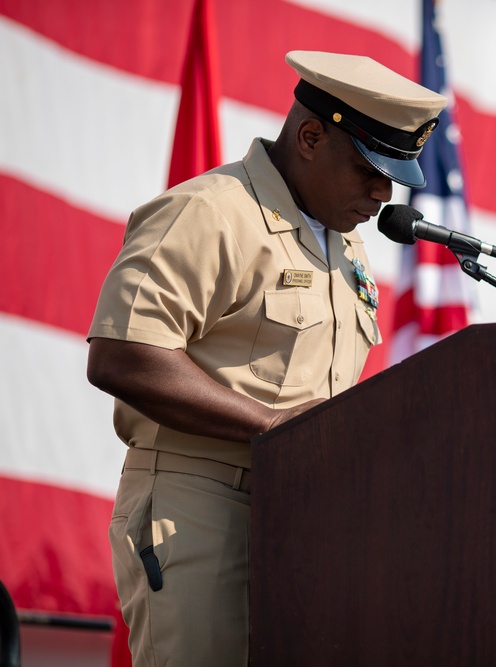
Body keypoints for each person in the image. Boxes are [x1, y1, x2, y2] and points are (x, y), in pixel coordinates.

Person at [86, 50, 447, 666]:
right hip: (200, 505)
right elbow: (122, 354)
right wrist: (276, 427)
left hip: (305, 515)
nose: (382, 194)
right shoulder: (212, 212)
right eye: (369, 169)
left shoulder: (344, 244)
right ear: (310, 137)